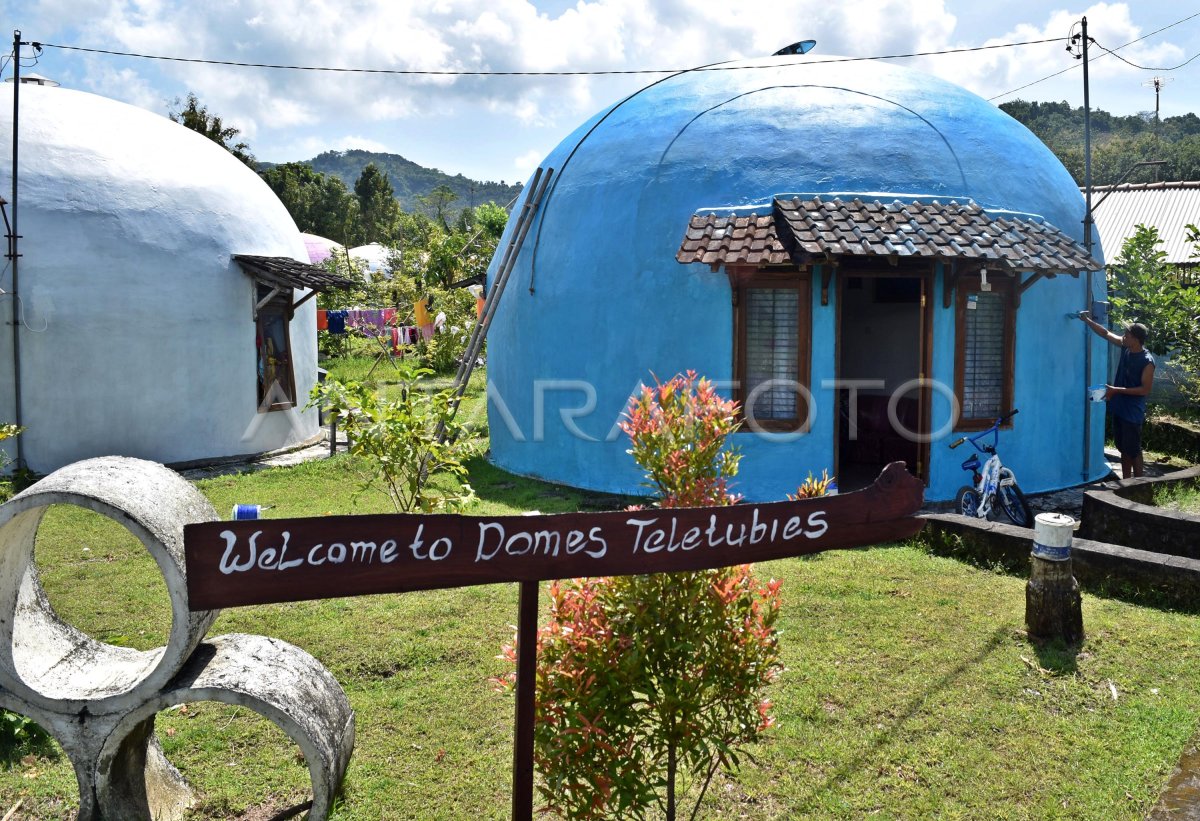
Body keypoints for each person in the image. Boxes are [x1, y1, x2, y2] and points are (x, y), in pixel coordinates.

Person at [1079, 312, 1155, 479]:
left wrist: (1116, 390)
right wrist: (1087, 320)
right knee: (1123, 448)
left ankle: (1140, 484)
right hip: (1119, 407)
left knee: (1134, 450)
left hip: (1132, 411)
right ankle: (1127, 482)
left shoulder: (1147, 361)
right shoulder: (1126, 348)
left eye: (1126, 335)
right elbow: (1105, 334)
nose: (1123, 337)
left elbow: (1144, 390)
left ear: (1135, 339)